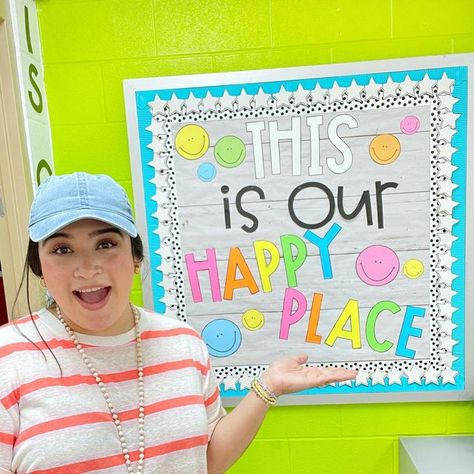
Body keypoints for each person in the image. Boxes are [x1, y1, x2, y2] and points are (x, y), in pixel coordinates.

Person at [0, 172, 356, 474]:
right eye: (62, 249)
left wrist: (267, 388)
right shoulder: (9, 357)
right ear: (40, 268)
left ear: (136, 257)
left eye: (106, 243)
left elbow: (207, 459)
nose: (87, 267)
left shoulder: (182, 342)